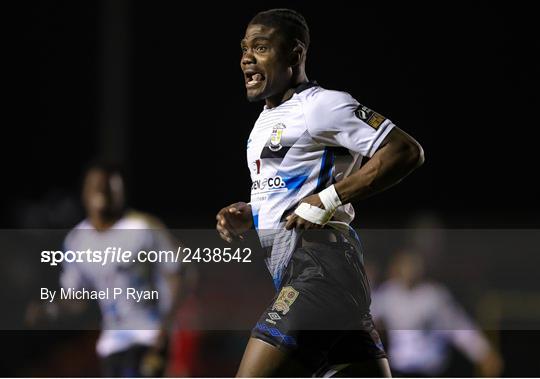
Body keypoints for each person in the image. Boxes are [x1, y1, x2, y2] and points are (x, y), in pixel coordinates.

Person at [216, 8, 424, 377]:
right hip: (325, 279)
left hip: (319, 272)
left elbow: (405, 151)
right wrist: (251, 212)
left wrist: (328, 199)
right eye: (245, 48)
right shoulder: (264, 121)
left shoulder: (322, 105)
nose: (247, 57)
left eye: (261, 47)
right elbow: (294, 192)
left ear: (295, 54)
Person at [28, 162, 182, 377]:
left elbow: (178, 274)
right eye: (96, 185)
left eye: (109, 186)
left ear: (121, 191)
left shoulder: (143, 227)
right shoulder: (77, 240)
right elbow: (77, 298)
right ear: (84, 191)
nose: (102, 192)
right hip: (113, 340)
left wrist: (165, 326)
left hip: (148, 334)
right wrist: (50, 309)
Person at [371, 250, 503, 377]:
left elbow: (458, 326)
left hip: (430, 369)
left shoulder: (434, 295)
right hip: (401, 369)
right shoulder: (388, 294)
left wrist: (483, 353)